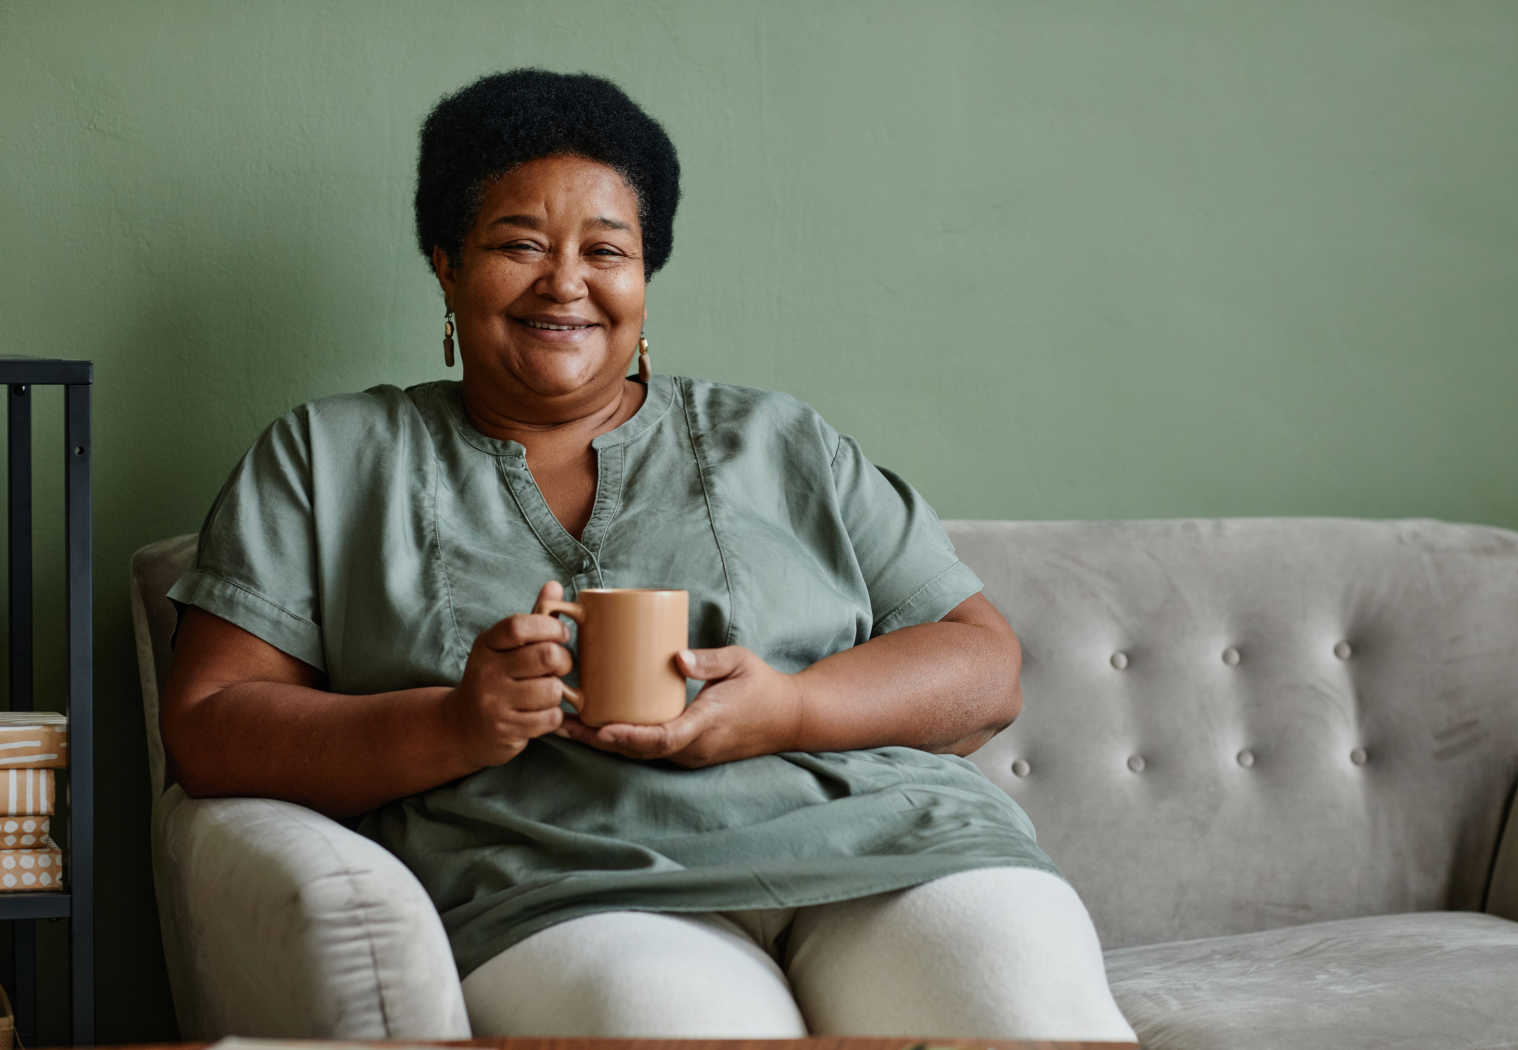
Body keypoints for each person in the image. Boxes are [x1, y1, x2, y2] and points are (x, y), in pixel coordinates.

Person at [162, 68, 1134, 1042]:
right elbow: (207, 726)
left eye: (606, 250)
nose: (565, 283)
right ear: (446, 264)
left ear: (644, 278)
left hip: (898, 849)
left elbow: (982, 665)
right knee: (677, 1021)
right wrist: (455, 724)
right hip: (565, 885)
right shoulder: (326, 459)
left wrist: (789, 709)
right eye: (519, 244)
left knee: (1025, 1009)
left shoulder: (781, 442)